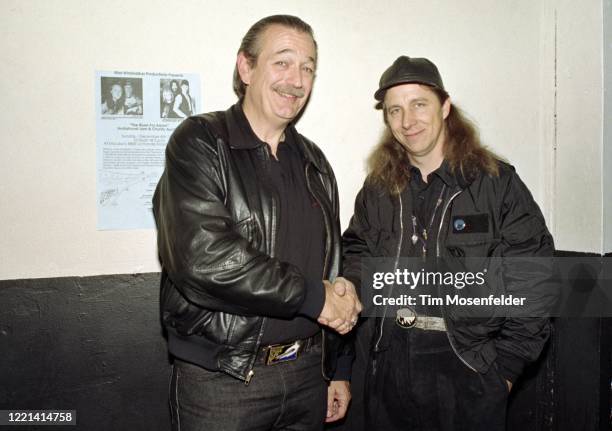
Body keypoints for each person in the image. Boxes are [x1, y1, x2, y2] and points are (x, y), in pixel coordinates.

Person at [153, 15, 362, 431]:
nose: (297, 79)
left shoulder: (315, 163)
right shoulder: (200, 141)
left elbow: (331, 264)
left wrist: (337, 366)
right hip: (223, 380)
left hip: (307, 375)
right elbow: (205, 259)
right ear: (245, 68)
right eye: (282, 62)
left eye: (308, 67)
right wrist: (315, 298)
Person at [342, 56, 556, 430]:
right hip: (388, 369)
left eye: (418, 104)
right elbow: (356, 257)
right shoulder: (377, 189)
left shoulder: (495, 184)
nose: (407, 121)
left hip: (469, 367)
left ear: (444, 106)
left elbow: (534, 278)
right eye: (395, 110)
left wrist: (504, 369)